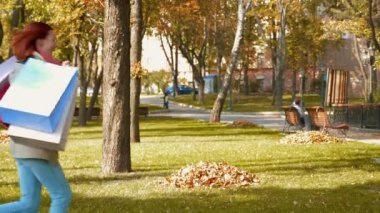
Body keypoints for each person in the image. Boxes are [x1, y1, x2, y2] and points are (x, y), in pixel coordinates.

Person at [0, 22, 72, 213]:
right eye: (52, 40)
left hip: (22, 145)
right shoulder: (32, 68)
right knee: (61, 195)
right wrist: (61, 74)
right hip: (34, 145)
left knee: (28, 204)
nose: (55, 44)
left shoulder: (27, 66)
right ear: (40, 42)